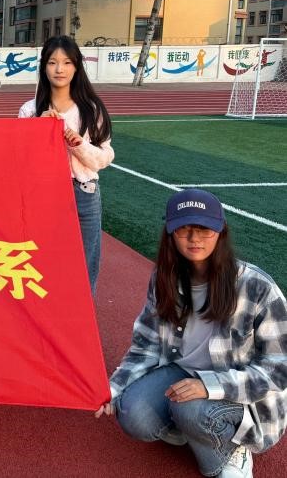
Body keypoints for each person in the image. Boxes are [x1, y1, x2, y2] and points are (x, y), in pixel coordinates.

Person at [96, 189, 287, 478]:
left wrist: (210, 386)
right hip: (182, 372)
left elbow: (279, 368)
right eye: (183, 229)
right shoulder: (165, 279)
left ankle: (233, 450)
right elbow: (145, 346)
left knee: (191, 411)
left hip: (240, 391)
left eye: (204, 229)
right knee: (133, 415)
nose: (194, 238)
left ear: (220, 231)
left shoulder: (256, 287)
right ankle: (191, 426)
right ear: (170, 233)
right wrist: (113, 389)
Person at [18, 35, 112, 292]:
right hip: (43, 195)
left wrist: (77, 143)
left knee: (84, 266)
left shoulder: (91, 110)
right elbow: (22, 161)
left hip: (84, 194)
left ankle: (82, 317)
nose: (59, 69)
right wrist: (38, 131)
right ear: (43, 67)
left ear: (77, 66)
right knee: (41, 263)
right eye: (52, 62)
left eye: (67, 62)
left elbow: (103, 158)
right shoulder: (29, 111)